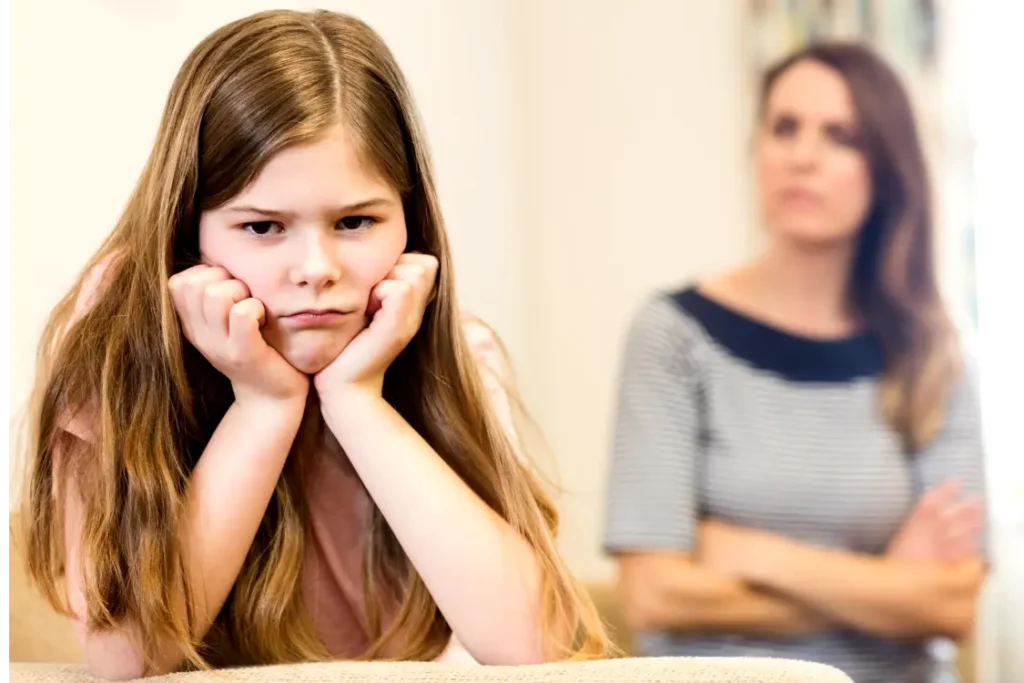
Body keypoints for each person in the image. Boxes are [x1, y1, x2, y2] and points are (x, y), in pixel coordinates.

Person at [18, 10, 610, 679]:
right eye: (264, 226)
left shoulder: (450, 349)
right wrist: (263, 405)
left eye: (355, 221)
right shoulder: (117, 348)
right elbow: (126, 655)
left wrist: (358, 400)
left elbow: (538, 648)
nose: (316, 268)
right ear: (190, 234)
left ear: (411, 226)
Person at [603, 42, 987, 683]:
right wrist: (888, 587)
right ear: (756, 150)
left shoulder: (931, 352)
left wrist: (749, 553)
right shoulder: (672, 336)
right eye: (784, 128)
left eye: (841, 136)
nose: (802, 156)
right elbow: (654, 595)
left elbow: (951, 602)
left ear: (887, 169)